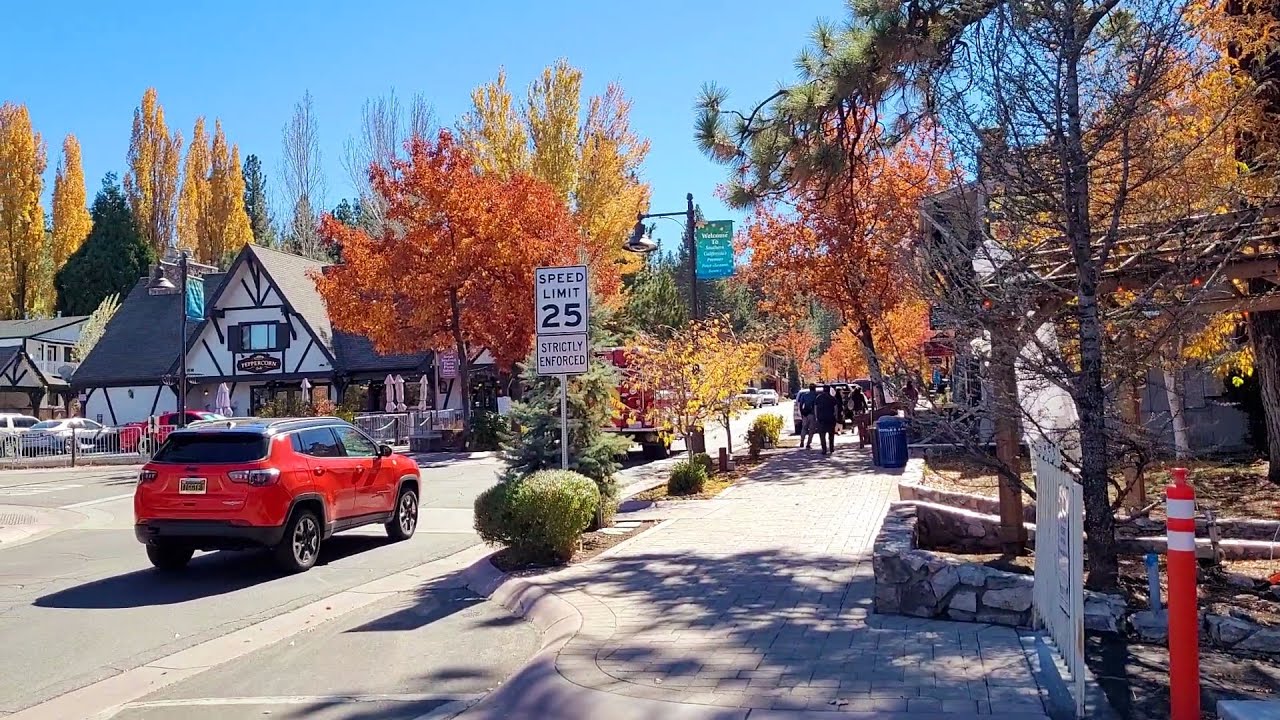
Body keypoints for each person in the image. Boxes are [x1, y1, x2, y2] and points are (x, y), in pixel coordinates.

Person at [814, 385, 839, 455]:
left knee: (822, 435)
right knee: (831, 435)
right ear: (829, 390)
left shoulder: (818, 398)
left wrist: (816, 417)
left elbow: (815, 408)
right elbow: (836, 409)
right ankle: (831, 448)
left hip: (821, 419)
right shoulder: (832, 398)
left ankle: (824, 449)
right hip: (830, 418)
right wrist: (836, 417)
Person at [797, 383, 818, 449]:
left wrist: (802, 412)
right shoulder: (816, 395)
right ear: (815, 388)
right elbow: (816, 406)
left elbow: (800, 404)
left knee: (804, 428)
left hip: (805, 414)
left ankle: (802, 441)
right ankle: (808, 443)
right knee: (811, 430)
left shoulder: (804, 395)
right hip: (812, 414)